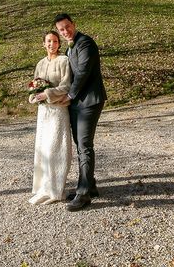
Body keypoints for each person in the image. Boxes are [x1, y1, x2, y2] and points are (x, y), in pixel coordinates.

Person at [54, 13, 107, 212]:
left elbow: (83, 72)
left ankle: (83, 194)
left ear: (74, 24)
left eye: (67, 26)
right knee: (80, 144)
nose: (65, 31)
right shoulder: (71, 47)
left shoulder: (85, 43)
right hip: (77, 103)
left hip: (90, 101)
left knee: (84, 145)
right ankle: (90, 185)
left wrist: (70, 95)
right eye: (61, 29)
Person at [28, 31, 72, 205]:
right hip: (43, 112)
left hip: (58, 110)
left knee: (56, 149)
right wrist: (32, 96)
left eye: (54, 41)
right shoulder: (40, 63)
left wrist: (47, 93)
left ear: (59, 44)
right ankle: (43, 188)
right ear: (43, 44)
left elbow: (66, 85)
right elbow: (34, 84)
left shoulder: (63, 61)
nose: (51, 44)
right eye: (48, 41)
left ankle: (56, 190)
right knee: (43, 149)